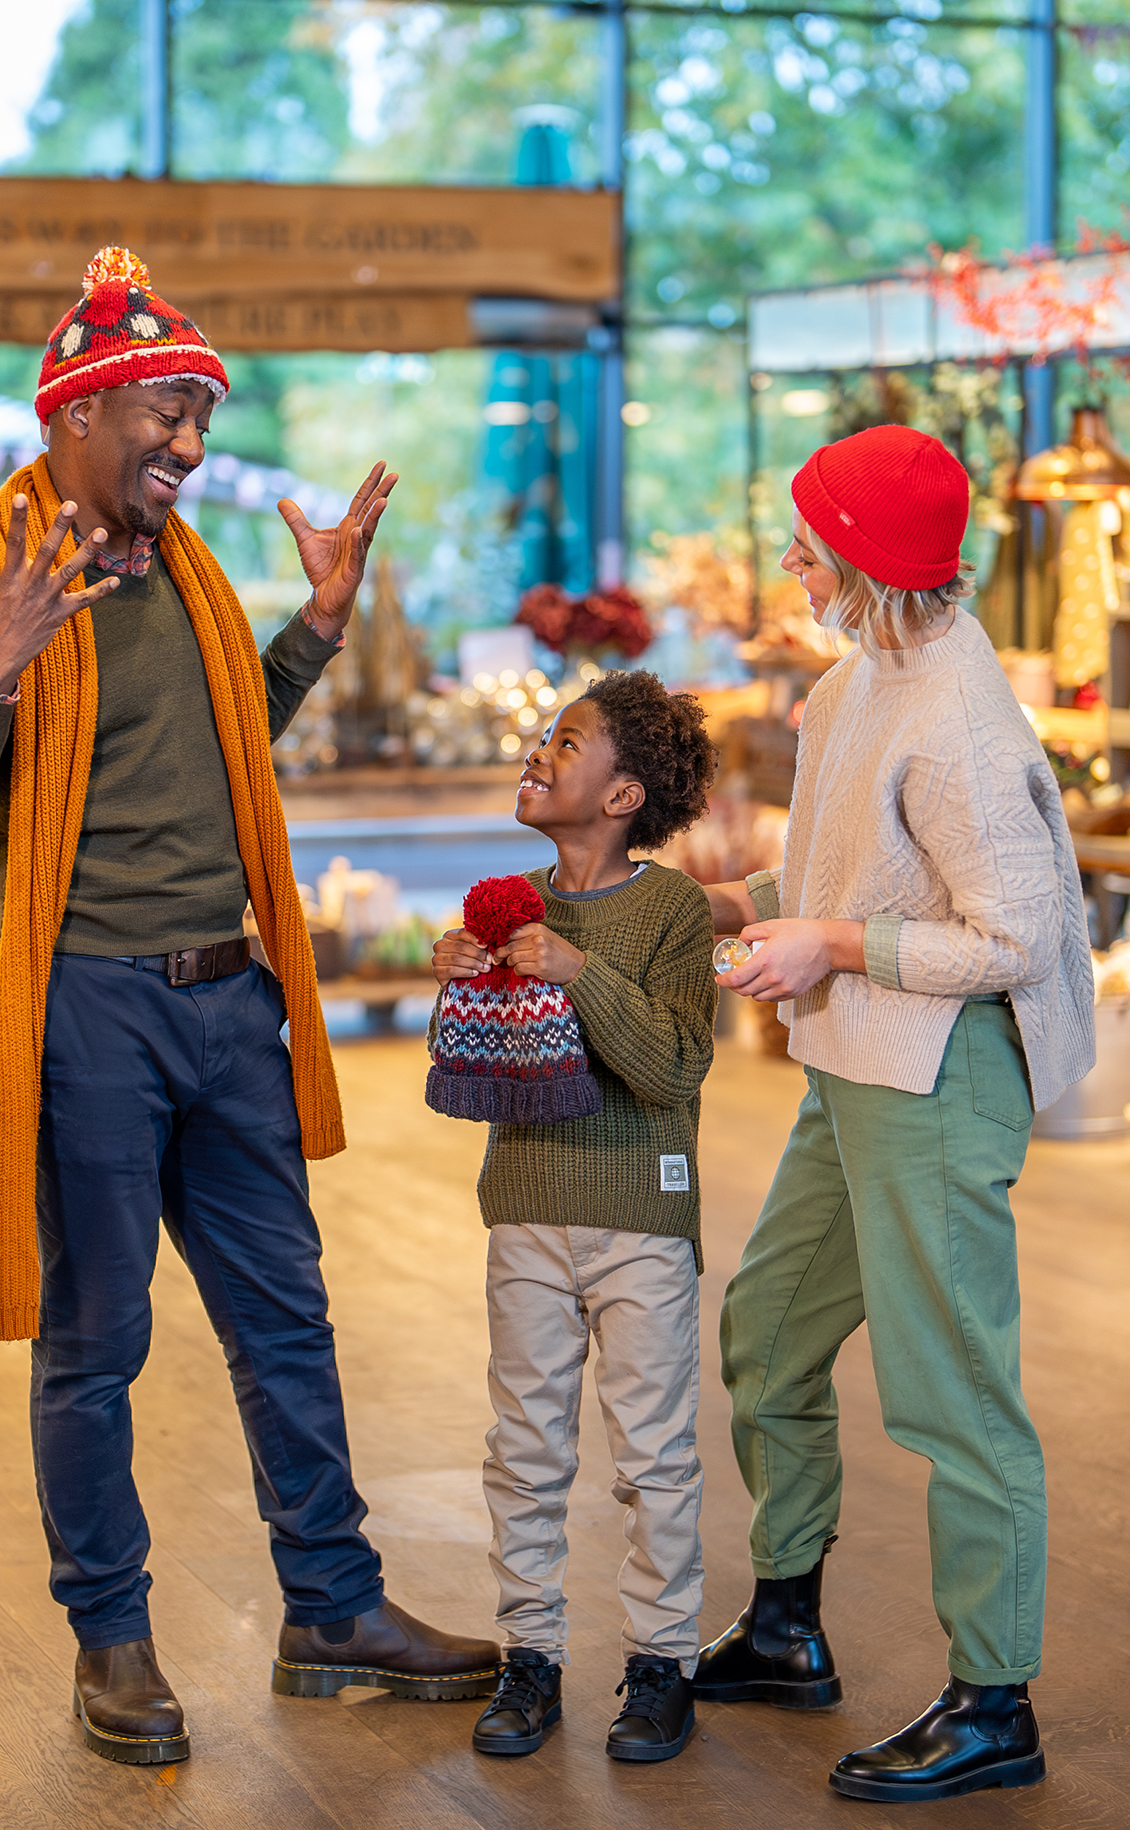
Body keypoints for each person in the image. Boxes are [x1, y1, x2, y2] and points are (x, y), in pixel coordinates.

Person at [0, 246, 500, 1769]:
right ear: (78, 413)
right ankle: (114, 1639)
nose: (192, 447)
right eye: (167, 412)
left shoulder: (196, 581)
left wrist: (315, 633)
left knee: (288, 1320)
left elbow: (215, 757)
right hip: (87, 1011)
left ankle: (333, 1609)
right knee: (95, 1340)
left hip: (229, 1008)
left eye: (202, 418)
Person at [695, 425, 1094, 1803]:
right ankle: (789, 1625)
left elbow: (1016, 939)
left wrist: (834, 946)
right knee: (768, 1330)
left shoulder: (963, 724)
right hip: (857, 1065)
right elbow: (861, 867)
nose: (792, 560)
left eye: (810, 540)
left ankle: (996, 1701)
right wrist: (747, 903)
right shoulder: (860, 677)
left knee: (953, 1396)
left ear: (868, 558)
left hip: (939, 1076)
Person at [428, 672, 720, 1764]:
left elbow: (673, 1066)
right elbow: (480, 1073)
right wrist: (459, 984)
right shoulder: (505, 902)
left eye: (567, 740)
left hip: (642, 1217)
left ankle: (660, 1668)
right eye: (543, 735)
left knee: (652, 1458)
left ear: (620, 796)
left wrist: (574, 968)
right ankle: (530, 1660)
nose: (539, 751)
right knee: (525, 1449)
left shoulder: (670, 911)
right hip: (525, 1214)